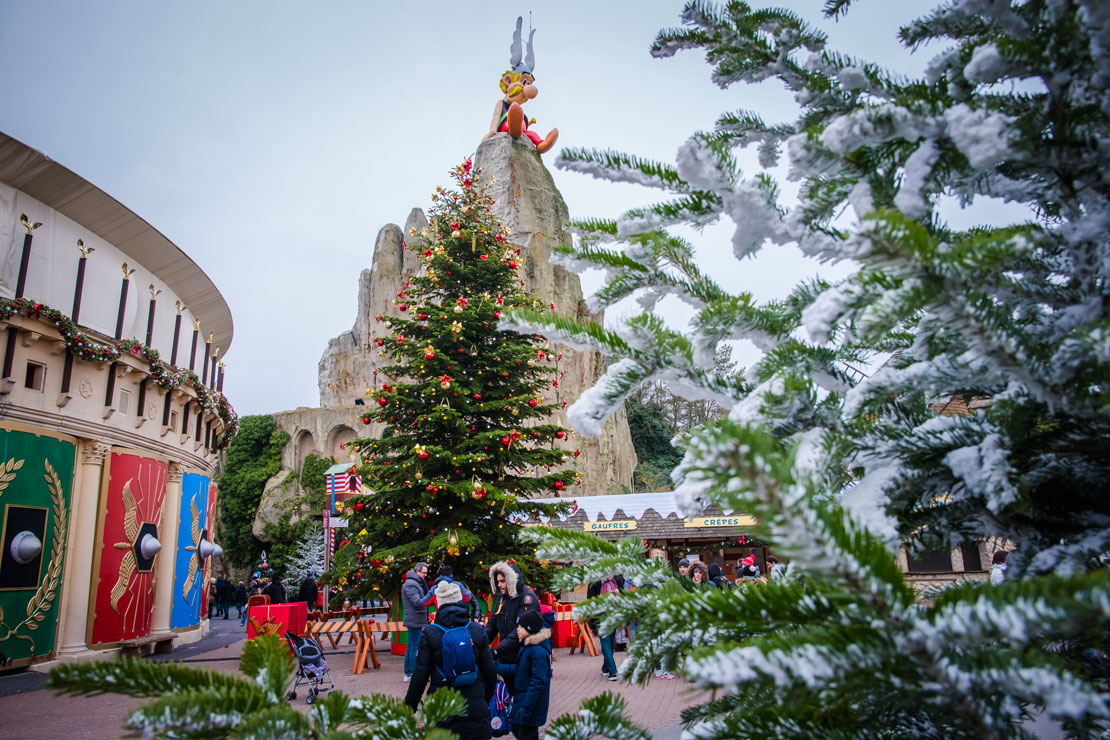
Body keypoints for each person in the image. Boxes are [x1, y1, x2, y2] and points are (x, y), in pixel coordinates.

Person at [404, 581, 498, 740]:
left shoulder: (431, 633)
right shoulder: (476, 629)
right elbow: (490, 674)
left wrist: (408, 708)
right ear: (460, 600)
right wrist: (483, 699)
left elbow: (419, 677)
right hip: (475, 708)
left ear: (439, 605)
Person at [485, 561, 540, 693]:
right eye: (497, 581)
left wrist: (498, 651)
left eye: (502, 581)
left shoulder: (526, 598)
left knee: (521, 694)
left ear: (511, 580)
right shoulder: (502, 598)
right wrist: (480, 642)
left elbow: (521, 630)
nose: (499, 585)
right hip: (507, 655)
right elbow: (493, 623)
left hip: (522, 654)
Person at [509, 610, 552, 740]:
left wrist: (527, 708)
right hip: (523, 702)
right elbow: (520, 670)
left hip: (531, 706)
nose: (518, 629)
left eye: (521, 626)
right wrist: (498, 667)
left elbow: (538, 682)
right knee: (516, 727)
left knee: (525, 733)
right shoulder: (528, 647)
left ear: (530, 628)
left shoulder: (536, 650)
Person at [586, 575, 625, 680]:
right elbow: (623, 596)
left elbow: (590, 600)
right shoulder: (617, 577)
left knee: (606, 643)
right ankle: (606, 668)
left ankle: (612, 671)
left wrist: (591, 618)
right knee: (611, 641)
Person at [402, 562, 430, 681]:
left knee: (411, 645)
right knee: (414, 646)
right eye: (423, 573)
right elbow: (417, 602)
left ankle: (408, 672)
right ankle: (413, 672)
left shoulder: (412, 583)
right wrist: (429, 597)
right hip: (414, 618)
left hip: (414, 618)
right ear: (417, 572)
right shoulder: (411, 585)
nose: (425, 575)